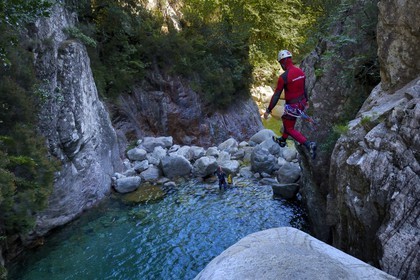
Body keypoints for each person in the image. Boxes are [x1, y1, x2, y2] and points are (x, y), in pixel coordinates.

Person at [264, 50, 317, 159]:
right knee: (285, 119)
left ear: (282, 62)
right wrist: (306, 101)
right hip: (301, 103)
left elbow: (276, 96)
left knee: (289, 128)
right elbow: (304, 89)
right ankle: (283, 140)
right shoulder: (301, 72)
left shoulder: (284, 77)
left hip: (293, 106)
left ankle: (309, 144)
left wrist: (268, 110)